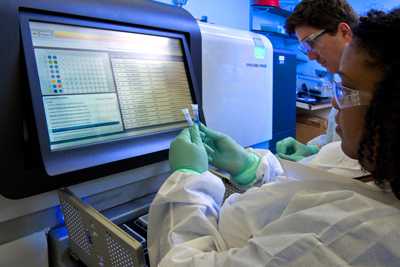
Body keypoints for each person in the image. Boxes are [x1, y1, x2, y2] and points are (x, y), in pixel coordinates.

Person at [148, 9, 400, 266]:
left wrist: (187, 180)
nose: (335, 102)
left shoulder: (352, 237)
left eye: (346, 88)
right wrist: (251, 166)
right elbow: (306, 190)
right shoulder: (376, 161)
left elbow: (179, 263)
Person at [277, 0, 357, 162]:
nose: (310, 56)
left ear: (344, 32)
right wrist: (313, 149)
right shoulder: (338, 77)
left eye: (311, 42)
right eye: (305, 48)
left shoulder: (374, 83)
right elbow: (334, 139)